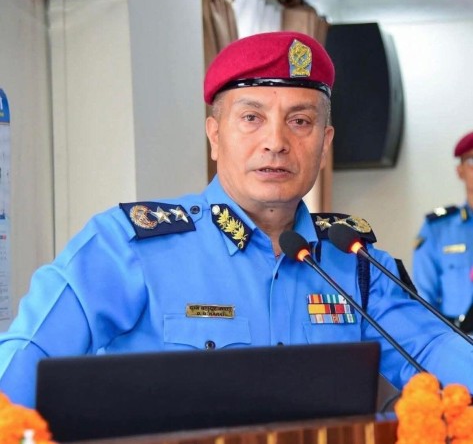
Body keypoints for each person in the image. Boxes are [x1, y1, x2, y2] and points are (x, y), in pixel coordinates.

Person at [1, 31, 472, 409]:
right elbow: (26, 362)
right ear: (214, 135)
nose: (276, 142)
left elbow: (433, 349)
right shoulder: (128, 246)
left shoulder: (355, 264)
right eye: (251, 118)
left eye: (300, 121)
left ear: (325, 143)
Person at [413, 131, 473, 333]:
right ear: (460, 171)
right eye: (472, 161)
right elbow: (424, 299)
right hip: (458, 338)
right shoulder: (437, 228)